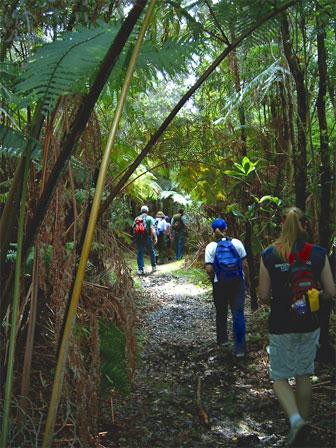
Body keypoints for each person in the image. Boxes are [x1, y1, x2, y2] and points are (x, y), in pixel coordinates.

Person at [258, 207, 335, 446]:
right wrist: (315, 297)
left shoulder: (270, 254)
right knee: (303, 374)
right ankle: (302, 424)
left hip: (281, 324)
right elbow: (331, 292)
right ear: (305, 225)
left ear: (282, 224)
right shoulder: (318, 253)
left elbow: (262, 295)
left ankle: (295, 421)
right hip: (310, 324)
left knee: (279, 377)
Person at [204, 218, 247, 358]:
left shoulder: (211, 247)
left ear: (213, 231)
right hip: (238, 282)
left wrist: (215, 276)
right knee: (238, 313)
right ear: (226, 228)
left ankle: (222, 341)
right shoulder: (237, 243)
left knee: (221, 312)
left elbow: (209, 268)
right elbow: (244, 263)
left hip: (220, 283)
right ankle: (240, 348)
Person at [133, 205, 157, 275]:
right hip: (147, 237)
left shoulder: (136, 218)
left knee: (140, 252)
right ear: (147, 211)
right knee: (151, 251)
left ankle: (141, 269)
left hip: (139, 238)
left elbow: (134, 228)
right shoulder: (150, 218)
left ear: (141, 211)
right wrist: (155, 237)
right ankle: (153, 267)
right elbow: (152, 228)